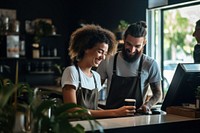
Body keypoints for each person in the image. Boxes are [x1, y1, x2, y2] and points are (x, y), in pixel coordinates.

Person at [61, 24, 135, 118]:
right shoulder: (71, 72)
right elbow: (71, 110)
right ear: (86, 48)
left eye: (105, 53)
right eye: (100, 51)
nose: (103, 57)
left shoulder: (96, 76)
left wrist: (115, 114)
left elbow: (94, 109)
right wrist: (115, 112)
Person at [97, 21, 162, 114]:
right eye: (129, 44)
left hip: (137, 117)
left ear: (144, 43)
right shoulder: (108, 60)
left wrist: (148, 105)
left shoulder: (150, 64)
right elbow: (94, 89)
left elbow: (158, 93)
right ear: (124, 39)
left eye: (137, 46)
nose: (132, 50)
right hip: (111, 116)